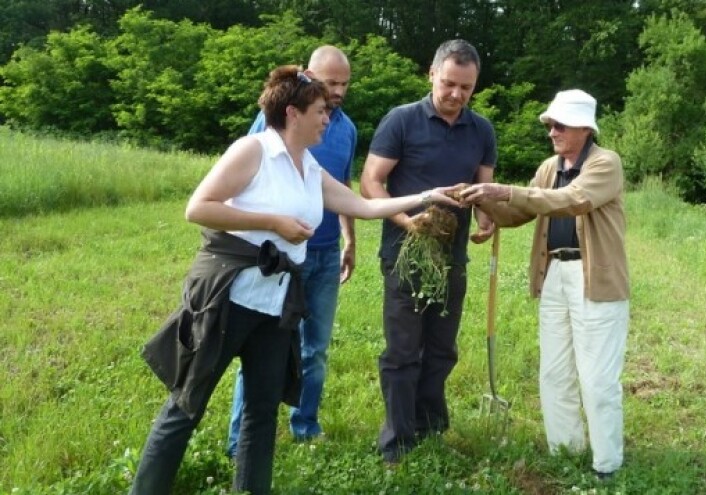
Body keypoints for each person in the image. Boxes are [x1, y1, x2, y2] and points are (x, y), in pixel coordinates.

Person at [131, 64, 460, 495]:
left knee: (262, 411)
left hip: (275, 307)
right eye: (320, 110)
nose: (328, 118)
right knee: (187, 405)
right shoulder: (252, 151)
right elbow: (198, 207)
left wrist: (426, 196)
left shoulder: (309, 167)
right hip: (228, 298)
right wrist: (273, 222)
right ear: (292, 113)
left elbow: (361, 206)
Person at [459, 89, 629, 480]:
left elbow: (572, 200)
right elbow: (520, 210)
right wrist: (480, 202)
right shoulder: (548, 167)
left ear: (585, 128)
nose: (552, 130)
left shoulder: (606, 163)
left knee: (598, 378)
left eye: (560, 124)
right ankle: (565, 450)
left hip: (596, 279)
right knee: (554, 371)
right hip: (554, 275)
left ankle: (607, 464)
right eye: (550, 124)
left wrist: (506, 191)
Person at [359, 39, 497, 464]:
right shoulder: (401, 121)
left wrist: (485, 220)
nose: (456, 94)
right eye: (450, 83)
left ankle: (430, 427)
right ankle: (396, 443)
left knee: (441, 348)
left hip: (451, 259)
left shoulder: (482, 130)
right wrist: (407, 221)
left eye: (466, 88)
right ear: (432, 74)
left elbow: (484, 191)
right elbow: (371, 182)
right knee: (402, 351)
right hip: (405, 253)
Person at [226, 45, 356, 457]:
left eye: (344, 84)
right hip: (277, 256)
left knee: (315, 348)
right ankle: (238, 440)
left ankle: (305, 424)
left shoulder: (347, 129)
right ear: (307, 77)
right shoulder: (279, 122)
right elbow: (250, 177)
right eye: (330, 83)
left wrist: (348, 236)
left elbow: (343, 189)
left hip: (324, 253)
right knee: (263, 347)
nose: (337, 91)